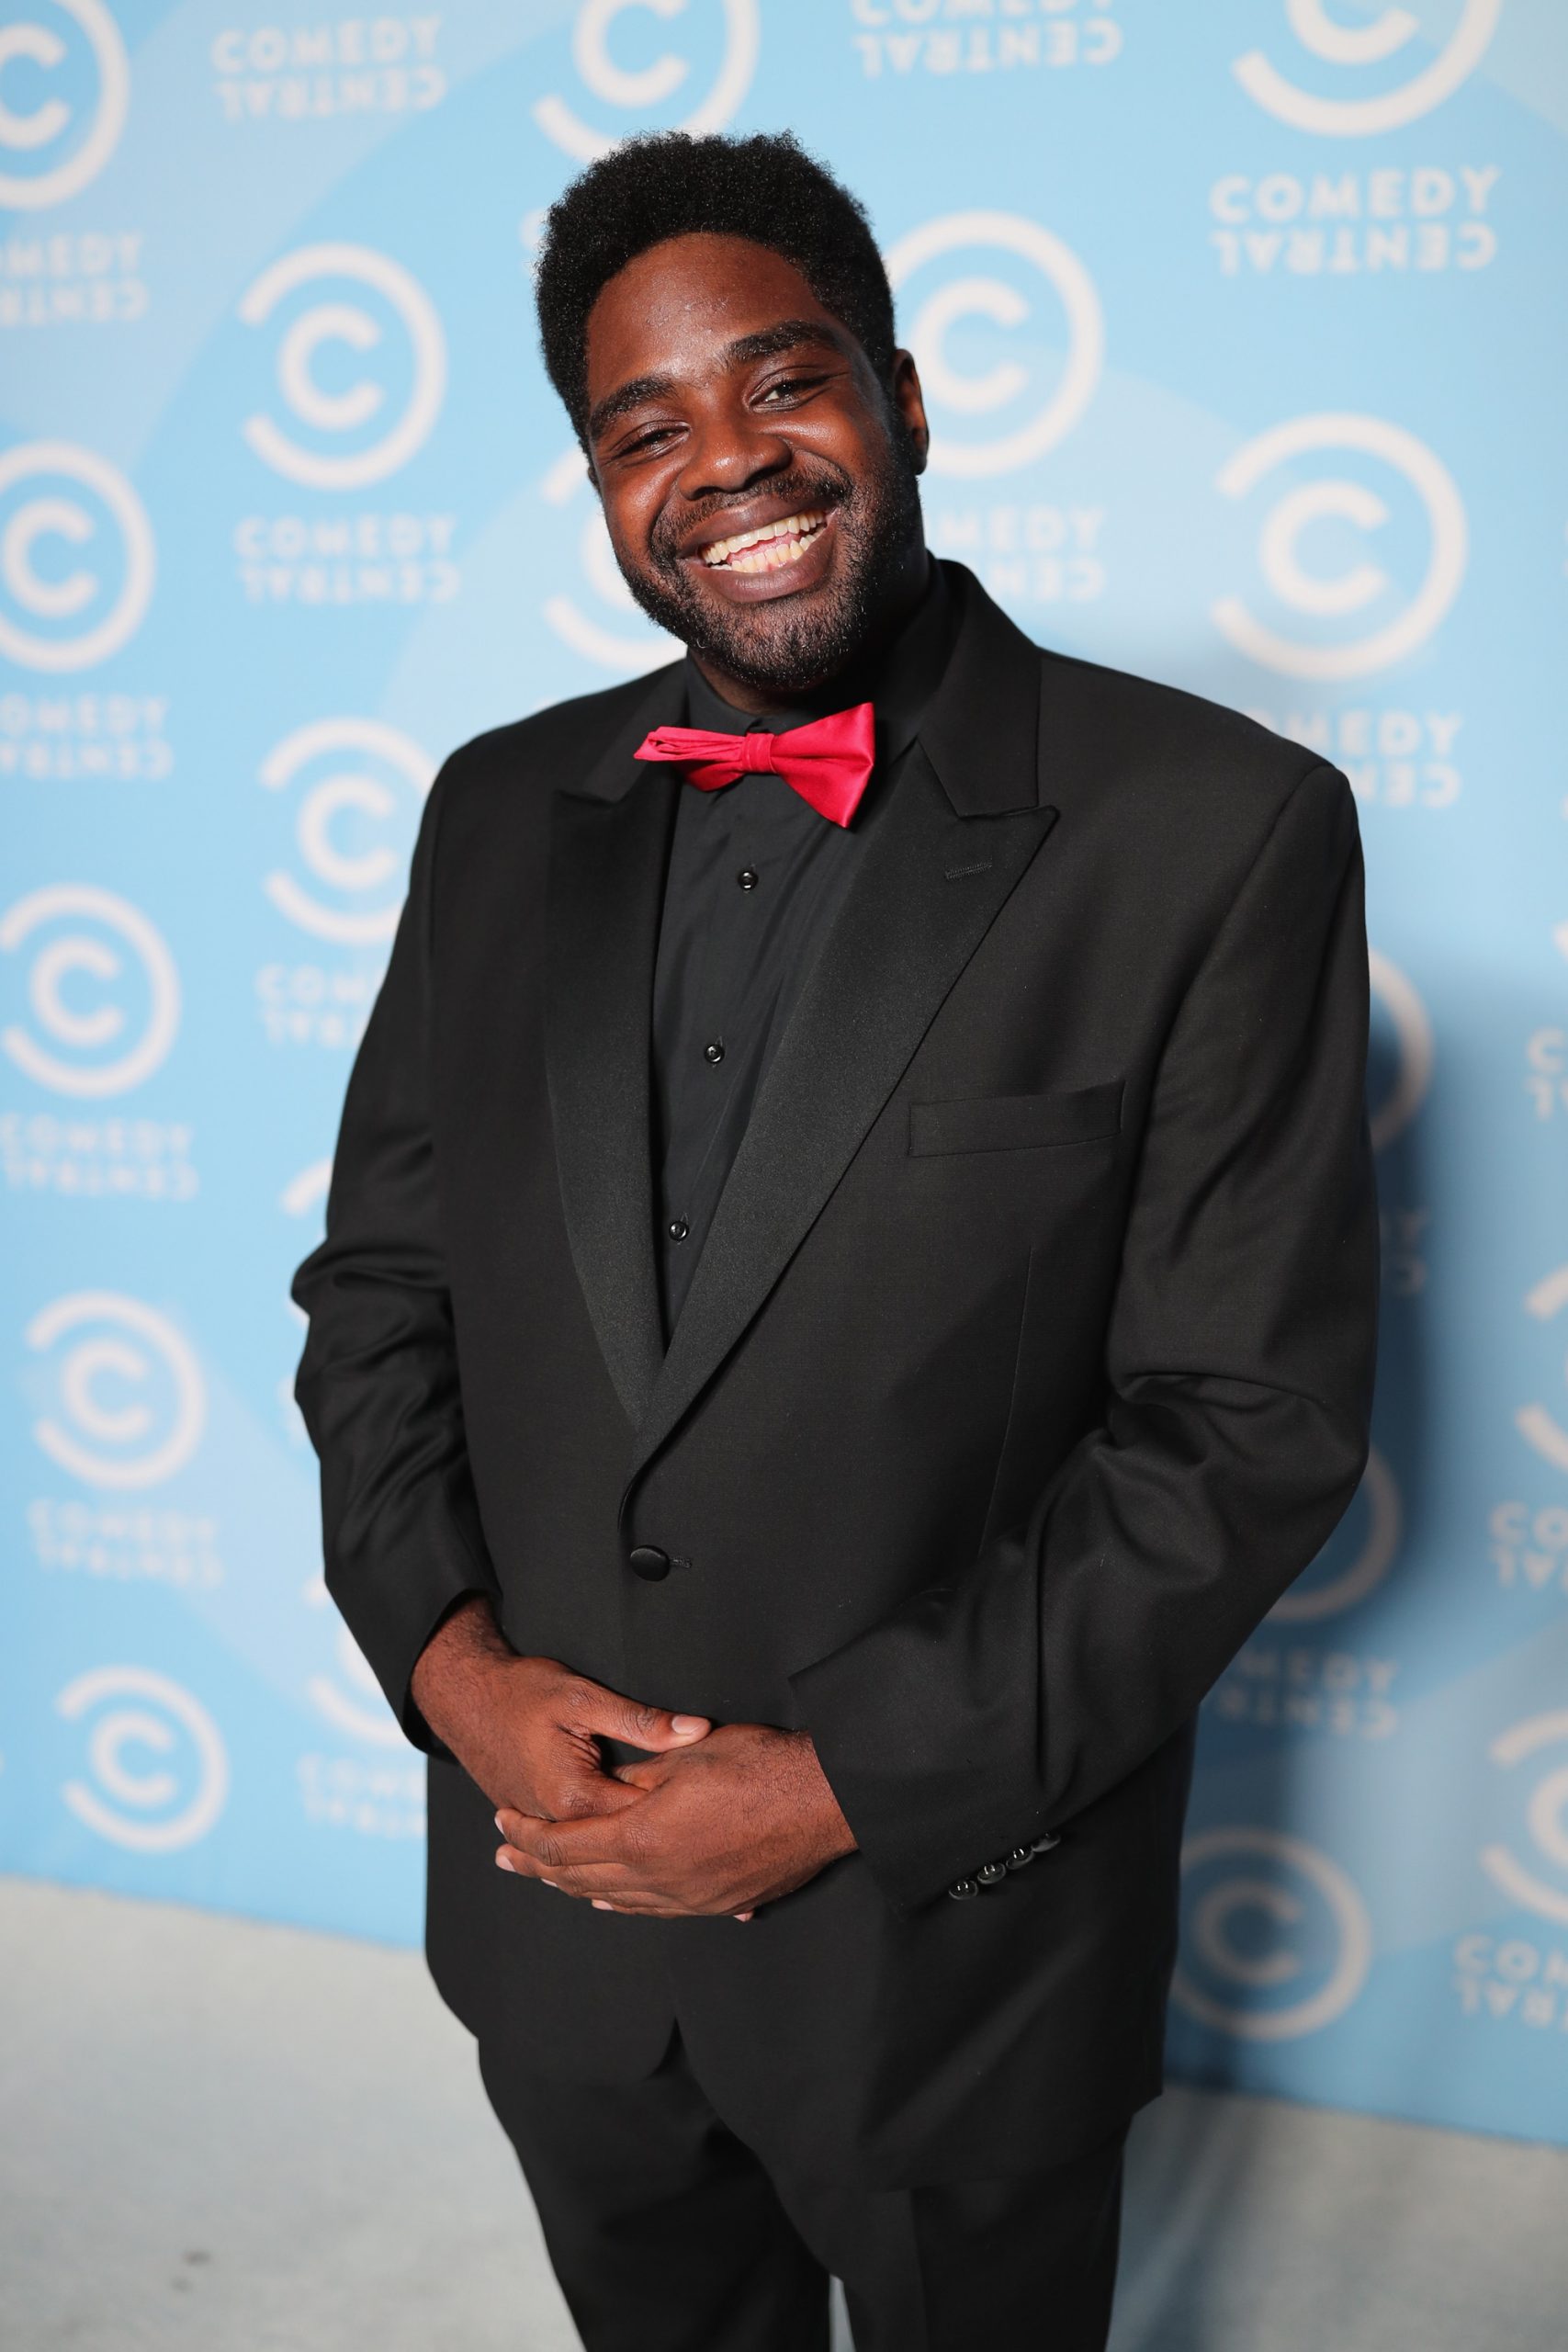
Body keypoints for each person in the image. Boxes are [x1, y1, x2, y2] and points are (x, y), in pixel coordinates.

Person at [291, 130, 1379, 2352]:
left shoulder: (1211, 826)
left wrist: (841, 1785)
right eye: (644, 430)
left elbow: (1239, 1425)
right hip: (554, 1925)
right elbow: (383, 1300)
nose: (726, 461)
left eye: (781, 382)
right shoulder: (492, 812)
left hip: (955, 1956)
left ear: (900, 397)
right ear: (600, 487)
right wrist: (453, 1669)